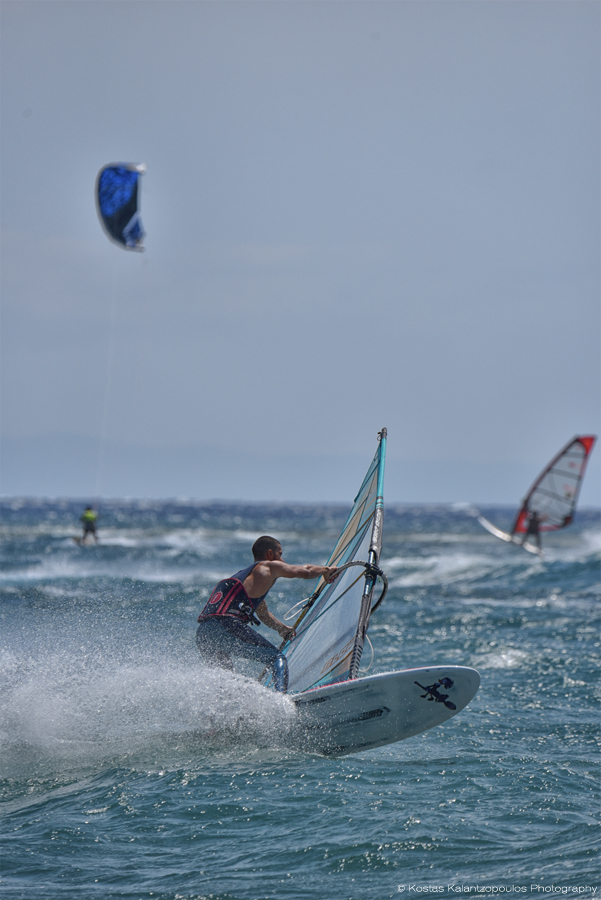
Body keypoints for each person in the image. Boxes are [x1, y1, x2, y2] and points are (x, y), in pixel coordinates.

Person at [196, 535, 339, 692]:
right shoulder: (268, 566)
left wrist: (281, 628)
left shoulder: (245, 578)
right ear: (270, 554)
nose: (282, 560)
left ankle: (229, 706)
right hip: (226, 625)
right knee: (277, 658)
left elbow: (263, 614)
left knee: (226, 680)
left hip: (204, 633)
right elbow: (305, 571)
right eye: (280, 554)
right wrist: (326, 570)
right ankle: (281, 700)